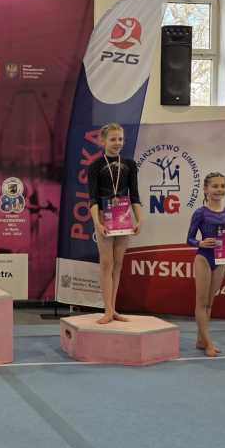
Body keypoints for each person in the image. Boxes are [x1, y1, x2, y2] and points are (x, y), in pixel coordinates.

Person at [89, 123, 142, 325]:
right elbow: (92, 198)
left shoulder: (130, 165)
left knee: (118, 265)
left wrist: (139, 219)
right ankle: (107, 310)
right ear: (103, 141)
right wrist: (97, 222)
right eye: (113, 139)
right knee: (106, 264)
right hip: (104, 216)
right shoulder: (95, 166)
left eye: (120, 139)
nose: (117, 143)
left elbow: (134, 195)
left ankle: (113, 308)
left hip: (122, 217)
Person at [187, 172, 225, 357]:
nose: (219, 189)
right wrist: (200, 243)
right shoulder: (200, 213)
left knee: (210, 303)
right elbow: (189, 238)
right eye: (215, 186)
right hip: (204, 258)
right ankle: (208, 343)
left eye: (222, 186)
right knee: (202, 302)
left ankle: (200, 340)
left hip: (220, 260)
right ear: (206, 189)